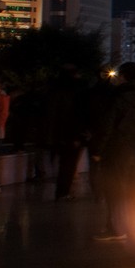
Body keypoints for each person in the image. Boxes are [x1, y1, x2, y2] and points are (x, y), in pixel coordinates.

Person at [91, 62, 135, 241]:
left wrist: (98, 149)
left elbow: (108, 126)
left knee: (116, 188)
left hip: (119, 148)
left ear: (124, 76)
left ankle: (116, 228)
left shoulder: (118, 97)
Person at [46, 64, 91, 200]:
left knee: (62, 163)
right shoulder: (77, 92)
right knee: (69, 164)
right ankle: (64, 191)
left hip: (58, 134)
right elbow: (78, 114)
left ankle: (62, 191)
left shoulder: (53, 91)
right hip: (72, 134)